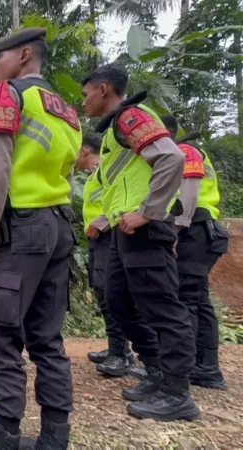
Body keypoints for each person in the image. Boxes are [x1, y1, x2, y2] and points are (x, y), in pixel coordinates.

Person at [0, 28, 81, 449]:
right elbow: (66, 168)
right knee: (47, 338)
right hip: (59, 226)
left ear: (25, 55)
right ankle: (55, 437)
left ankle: (5, 438)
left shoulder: (8, 94)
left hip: (22, 231)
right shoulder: (66, 110)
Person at [81, 63, 199, 421]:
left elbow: (171, 157)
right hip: (124, 230)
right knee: (117, 300)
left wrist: (148, 211)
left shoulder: (130, 117)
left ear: (104, 89)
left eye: (86, 94)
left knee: (162, 307)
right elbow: (122, 184)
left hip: (146, 229)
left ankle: (177, 392)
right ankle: (156, 370)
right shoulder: (113, 131)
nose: (84, 102)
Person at [162, 115, 229, 390]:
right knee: (198, 300)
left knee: (185, 300)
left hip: (195, 230)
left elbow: (189, 192)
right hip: (202, 230)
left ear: (166, 132)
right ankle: (206, 367)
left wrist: (177, 228)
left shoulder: (185, 150)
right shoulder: (182, 151)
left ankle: (184, 369)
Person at [78, 133, 138, 377]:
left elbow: (116, 200)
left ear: (84, 150)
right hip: (98, 240)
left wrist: (100, 223)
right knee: (103, 291)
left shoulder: (105, 171)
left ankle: (120, 353)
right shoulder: (95, 174)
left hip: (107, 236)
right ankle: (118, 348)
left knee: (108, 292)